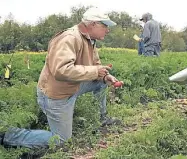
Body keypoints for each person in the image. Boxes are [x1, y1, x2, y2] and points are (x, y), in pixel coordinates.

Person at [0, 7, 121, 149]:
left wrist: (105, 76)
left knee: (101, 83)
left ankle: (101, 118)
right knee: (61, 141)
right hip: (56, 95)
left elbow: (95, 65)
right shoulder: (69, 38)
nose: (108, 30)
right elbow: (61, 70)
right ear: (93, 24)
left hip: (72, 87)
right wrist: (95, 71)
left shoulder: (90, 40)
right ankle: (9, 135)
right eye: (105, 26)